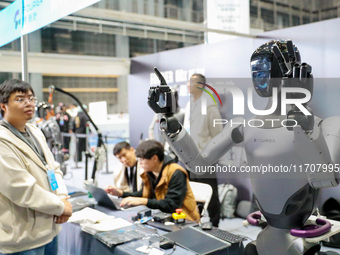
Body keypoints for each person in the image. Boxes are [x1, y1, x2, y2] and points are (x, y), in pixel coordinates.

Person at [0, 79, 72, 255]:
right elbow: (20, 188)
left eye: (31, 98)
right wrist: (60, 207)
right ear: (3, 106)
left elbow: (52, 168)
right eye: (20, 99)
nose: (29, 103)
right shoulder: (2, 141)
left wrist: (62, 197)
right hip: (22, 240)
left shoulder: (35, 132)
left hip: (49, 229)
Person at [105, 140, 200, 222]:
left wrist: (144, 201)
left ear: (154, 158)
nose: (140, 162)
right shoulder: (149, 172)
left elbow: (171, 205)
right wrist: (121, 193)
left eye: (142, 159)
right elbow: (143, 194)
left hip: (182, 220)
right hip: (162, 217)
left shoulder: (176, 172)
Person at [183, 73, 222, 227]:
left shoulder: (210, 106)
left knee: (210, 192)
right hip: (190, 157)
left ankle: (215, 223)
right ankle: (197, 220)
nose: (187, 86)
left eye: (190, 83)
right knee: (194, 191)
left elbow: (218, 135)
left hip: (205, 158)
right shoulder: (189, 104)